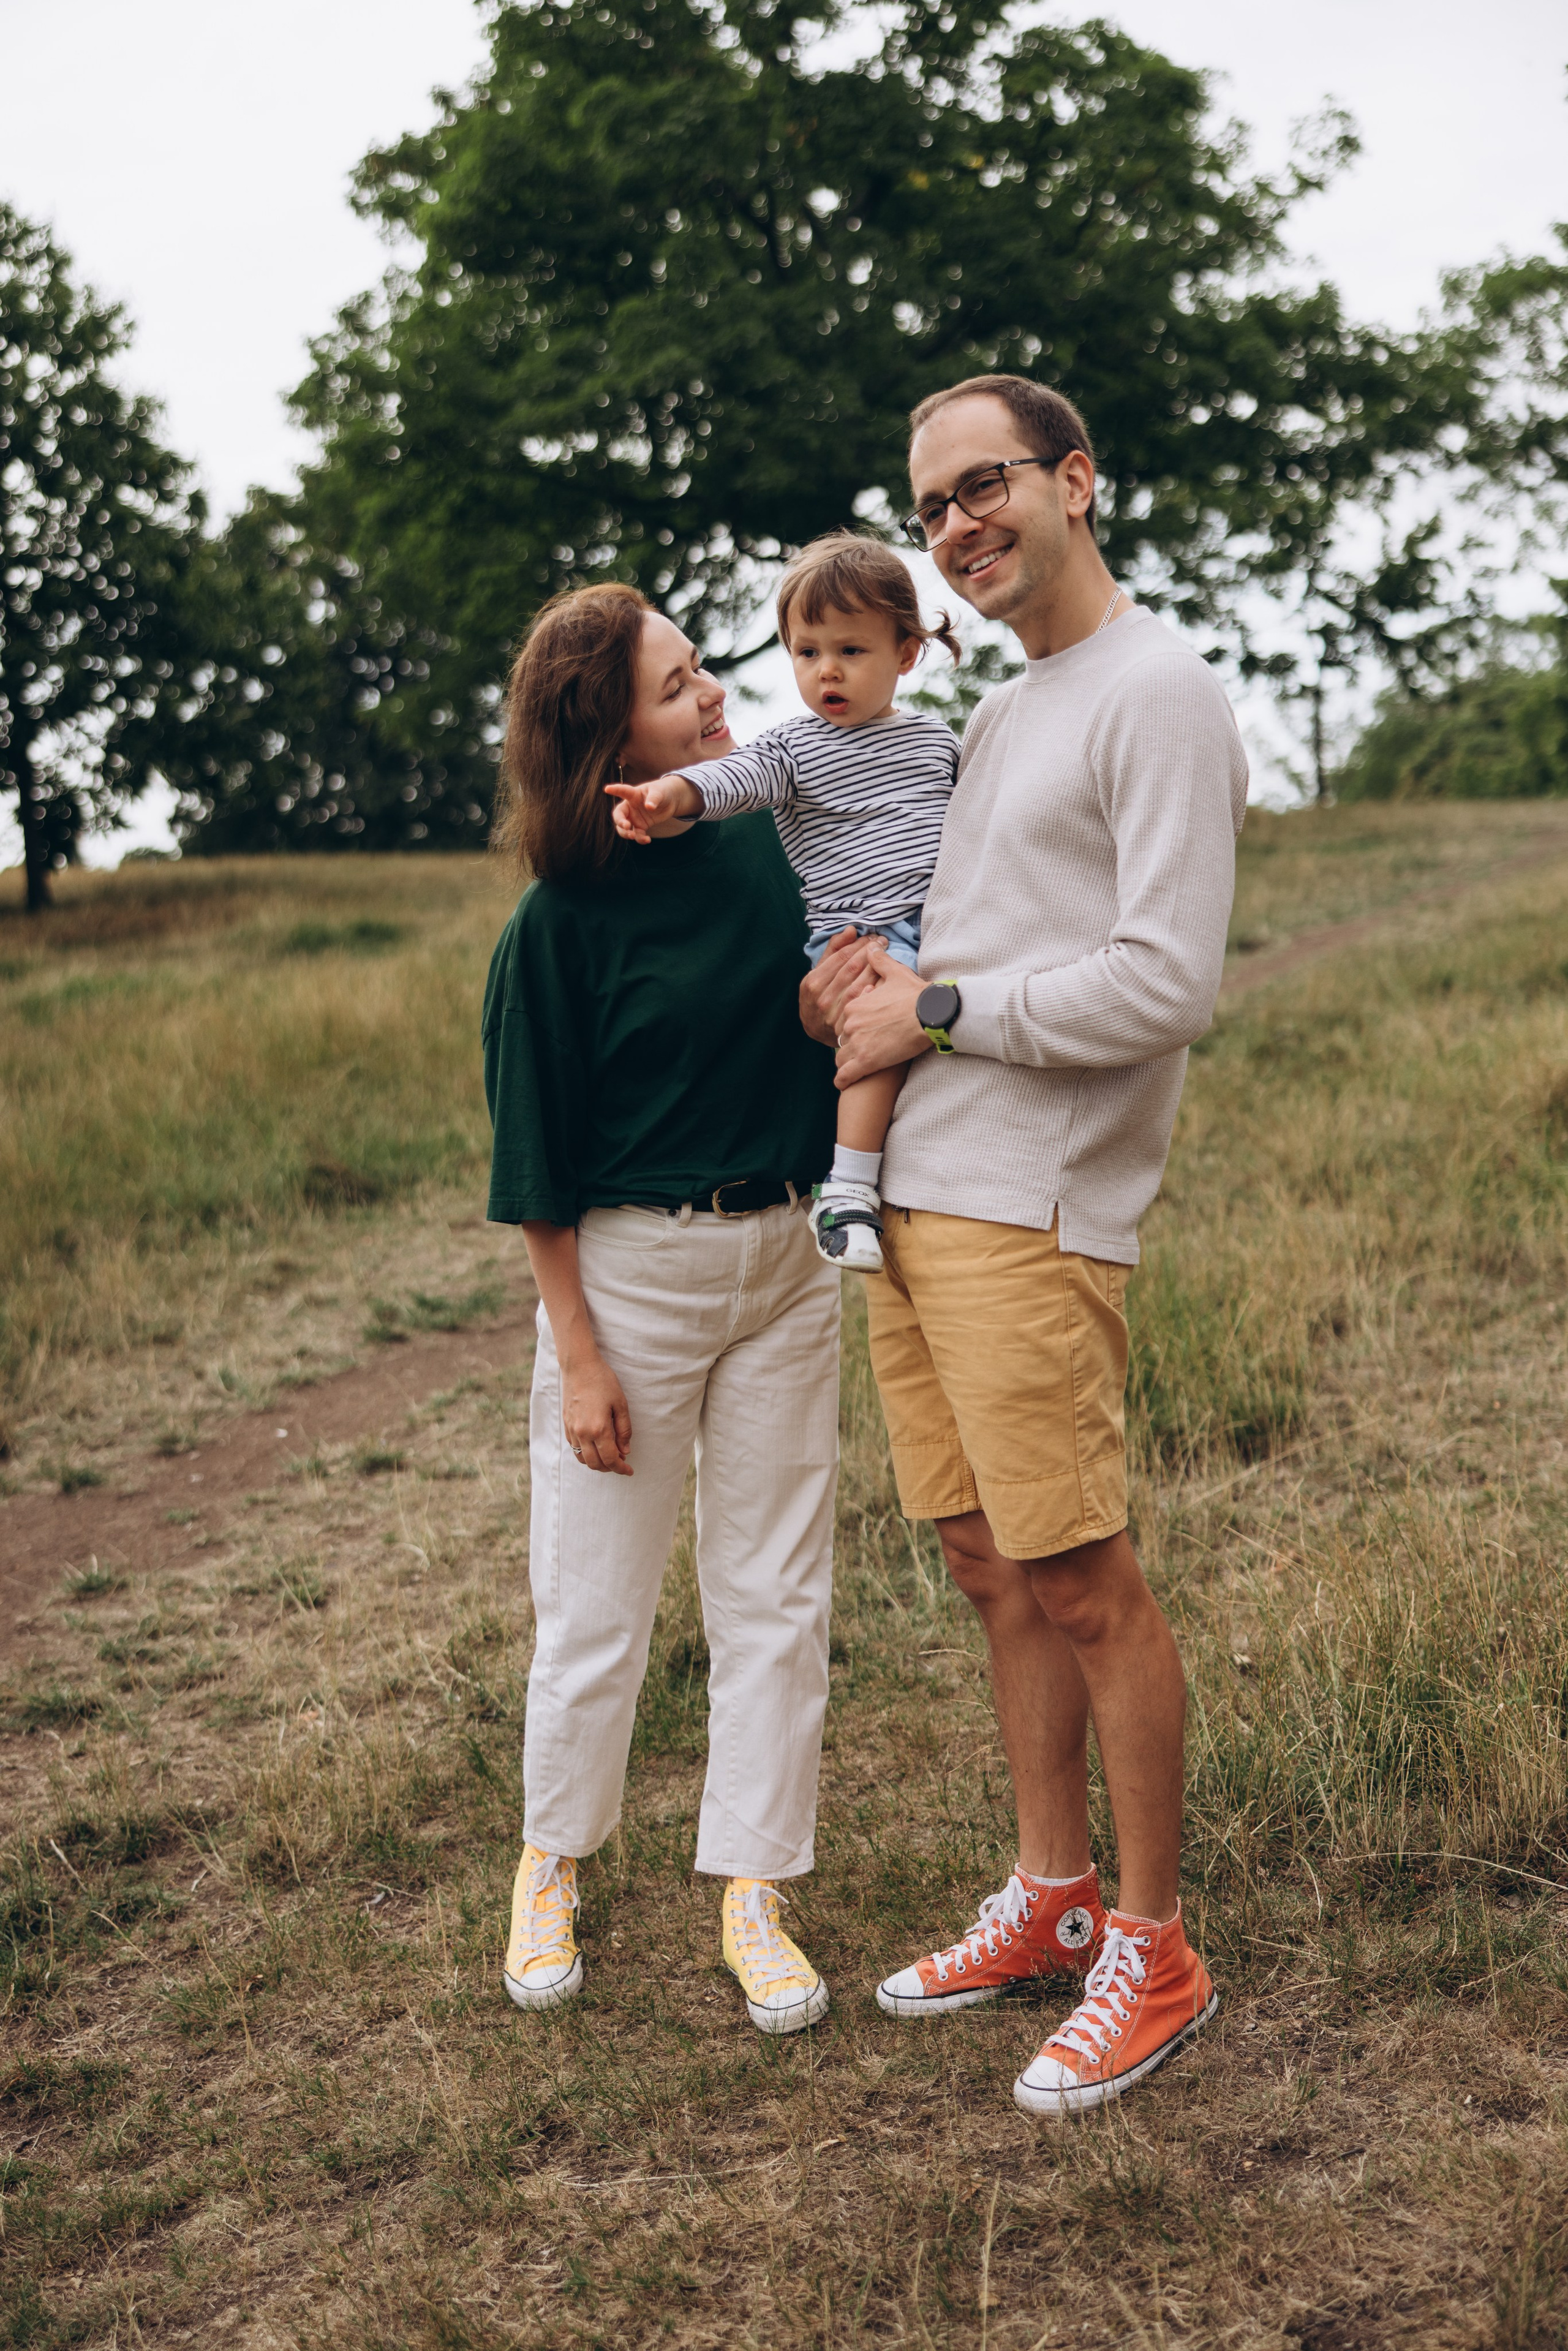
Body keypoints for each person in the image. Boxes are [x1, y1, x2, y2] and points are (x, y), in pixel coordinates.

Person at [807, 375, 1248, 2115]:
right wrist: (856, 994)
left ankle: (1155, 1943)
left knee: (1081, 1575)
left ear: (1076, 479)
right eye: (929, 506)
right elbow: (951, 947)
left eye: (983, 485)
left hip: (1036, 1205)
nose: (955, 524)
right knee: (990, 1564)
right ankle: (1053, 1895)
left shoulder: (1161, 692)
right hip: (919, 1189)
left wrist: (944, 1005)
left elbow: (1168, 982)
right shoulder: (1001, 707)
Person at [483, 581, 843, 2036]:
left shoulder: (771, 843)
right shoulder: (556, 928)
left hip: (786, 1261)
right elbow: (534, 1170)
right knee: (592, 1608)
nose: (716, 698)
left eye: (704, 671)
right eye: (679, 686)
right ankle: (549, 1860)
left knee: (775, 1593)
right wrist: (577, 1356)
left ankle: (751, 1889)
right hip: (630, 1283)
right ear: (609, 740)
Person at [606, 532, 959, 1275]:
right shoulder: (792, 749)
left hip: (945, 921)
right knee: (875, 1038)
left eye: (850, 652)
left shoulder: (935, 742)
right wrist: (668, 792)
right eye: (806, 653)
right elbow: (728, 782)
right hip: (859, 934)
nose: (825, 670)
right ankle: (850, 1188)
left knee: (949, 1035)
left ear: (905, 654)